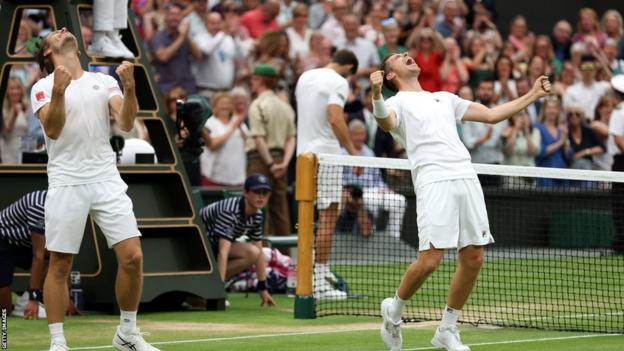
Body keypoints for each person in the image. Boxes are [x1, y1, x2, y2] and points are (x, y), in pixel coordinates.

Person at [370, 52, 551, 351]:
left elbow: (492, 115)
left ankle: (447, 329)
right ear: (390, 74)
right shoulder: (395, 102)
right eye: (400, 57)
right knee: (430, 260)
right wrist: (376, 94)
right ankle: (394, 310)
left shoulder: (445, 97)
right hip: (432, 178)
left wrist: (532, 94)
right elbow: (386, 123)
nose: (408, 56)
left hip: (465, 173)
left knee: (474, 257)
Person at [30, 27, 158, 351]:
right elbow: (54, 129)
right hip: (66, 181)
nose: (62, 29)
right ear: (48, 52)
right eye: (53, 33)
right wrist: (59, 92)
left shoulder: (105, 82)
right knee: (60, 264)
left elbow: (127, 123)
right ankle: (58, 343)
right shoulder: (42, 88)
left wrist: (130, 89)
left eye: (63, 29)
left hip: (106, 178)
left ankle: (127, 333)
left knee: (133, 257)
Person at [295, 49, 359, 300]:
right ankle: (319, 282)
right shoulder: (339, 81)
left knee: (305, 214)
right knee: (329, 215)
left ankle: (302, 278)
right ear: (349, 67)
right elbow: (334, 117)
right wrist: (353, 152)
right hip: (327, 155)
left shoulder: (305, 77)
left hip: (303, 156)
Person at [199, 173, 276, 305]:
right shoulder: (229, 211)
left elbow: (258, 251)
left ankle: (210, 288)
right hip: (198, 246)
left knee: (254, 252)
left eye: (265, 192)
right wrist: (219, 293)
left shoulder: (257, 215)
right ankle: (214, 290)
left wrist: (262, 288)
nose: (261, 196)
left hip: (213, 245)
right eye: (257, 191)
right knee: (247, 251)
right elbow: (223, 252)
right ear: (245, 193)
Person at [246, 64, 296, 244]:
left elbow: (259, 138)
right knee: (280, 210)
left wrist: (270, 165)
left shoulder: (257, 104)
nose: (251, 82)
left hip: (261, 161)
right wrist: (283, 164)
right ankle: (285, 259)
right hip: (281, 160)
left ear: (259, 80)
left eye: (253, 78)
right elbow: (291, 138)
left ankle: (262, 257)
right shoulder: (285, 106)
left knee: (257, 208)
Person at [341, 120, 406, 238]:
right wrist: (350, 190)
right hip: (355, 194)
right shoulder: (341, 154)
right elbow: (341, 181)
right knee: (370, 203)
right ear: (349, 135)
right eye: (356, 134)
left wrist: (384, 188)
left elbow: (378, 179)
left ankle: (393, 238)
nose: (359, 138)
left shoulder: (369, 153)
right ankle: (372, 237)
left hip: (374, 191)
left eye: (362, 134)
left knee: (400, 201)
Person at [0, 191, 47, 319]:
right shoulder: (38, 205)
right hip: (3, 240)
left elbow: (63, 253)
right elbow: (38, 255)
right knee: (4, 311)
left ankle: (22, 303)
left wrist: (67, 296)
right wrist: (34, 299)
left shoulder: (69, 209)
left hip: (24, 243)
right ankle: (29, 300)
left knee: (55, 255)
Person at [607, 74, 624, 255]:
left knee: (619, 205)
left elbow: (619, 141)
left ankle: (621, 242)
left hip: (621, 163)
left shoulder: (619, 113)